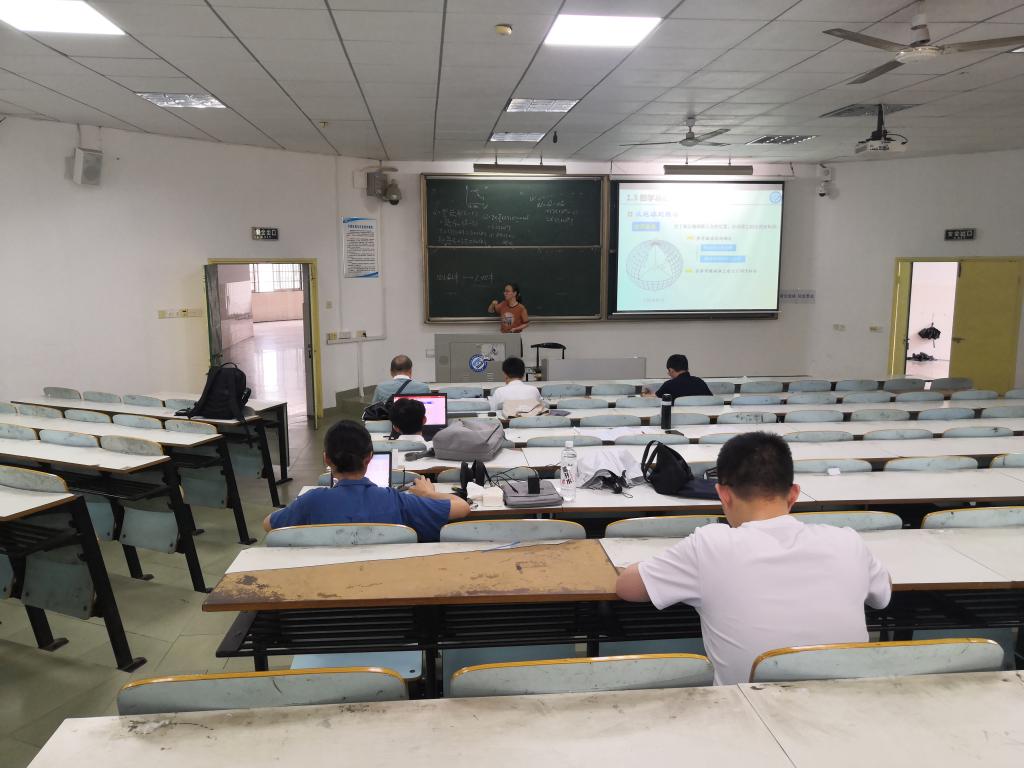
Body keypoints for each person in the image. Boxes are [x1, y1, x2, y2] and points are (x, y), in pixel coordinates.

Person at [615, 432, 891, 685]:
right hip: (848, 708)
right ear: (794, 494)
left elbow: (627, 587)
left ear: (723, 494)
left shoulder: (710, 545)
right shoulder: (848, 541)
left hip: (748, 714)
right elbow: (883, 594)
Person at [263, 420, 470, 541]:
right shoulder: (396, 501)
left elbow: (268, 524)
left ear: (326, 459)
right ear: (369, 457)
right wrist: (428, 493)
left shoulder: (311, 501)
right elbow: (462, 507)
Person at [642, 354, 713, 401]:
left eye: (668, 371)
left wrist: (644, 394)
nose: (668, 374)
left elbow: (654, 399)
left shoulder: (669, 385)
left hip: (677, 419)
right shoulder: (700, 382)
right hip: (703, 418)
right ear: (687, 368)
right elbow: (711, 399)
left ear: (671, 370)